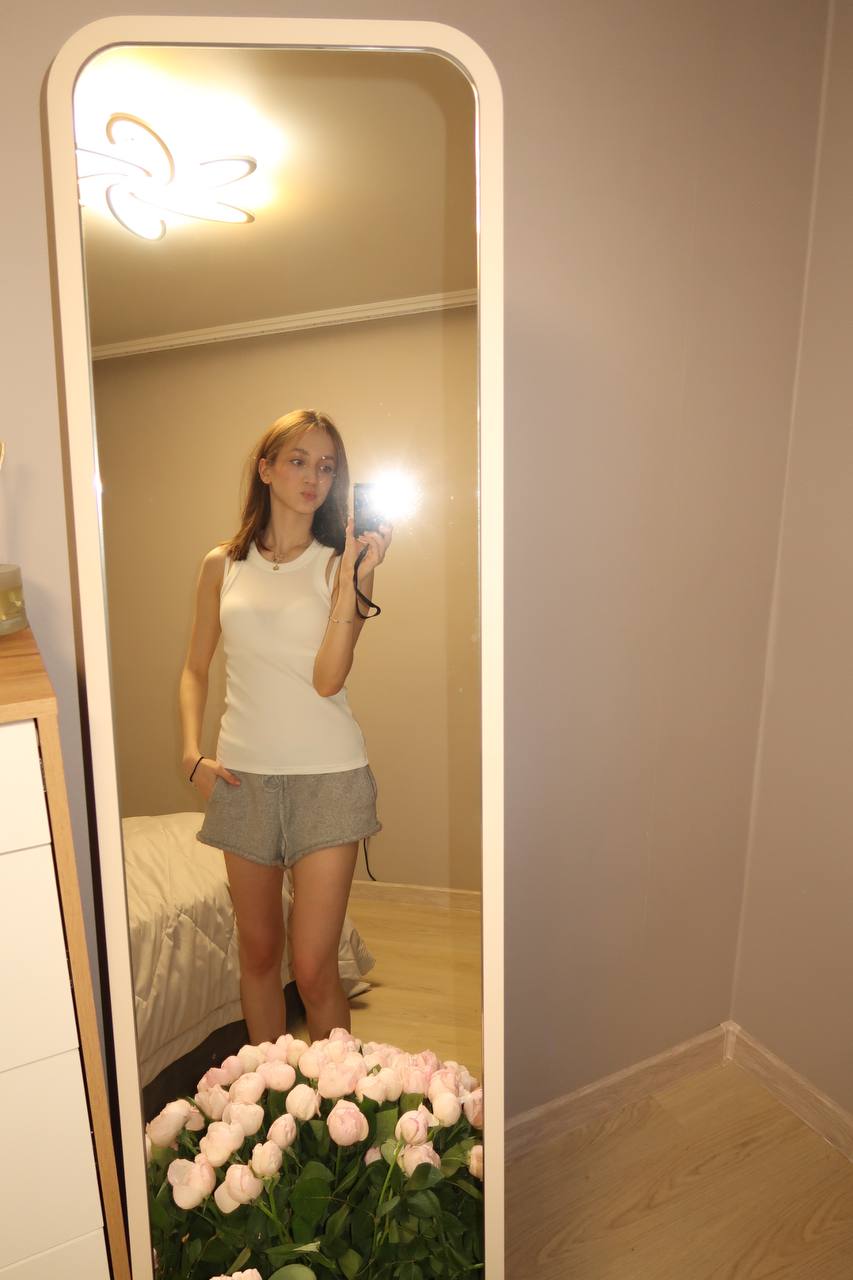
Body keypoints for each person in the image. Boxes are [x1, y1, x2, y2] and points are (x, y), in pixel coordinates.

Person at [179, 408, 391, 1045]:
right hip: (242, 780)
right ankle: (272, 1093)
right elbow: (195, 667)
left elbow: (328, 679)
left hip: (328, 779)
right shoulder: (222, 564)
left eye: (326, 466)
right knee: (258, 956)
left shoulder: (338, 565)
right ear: (266, 469)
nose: (313, 477)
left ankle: (335, 1098)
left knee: (315, 968)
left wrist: (357, 581)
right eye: (298, 461)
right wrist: (192, 755)